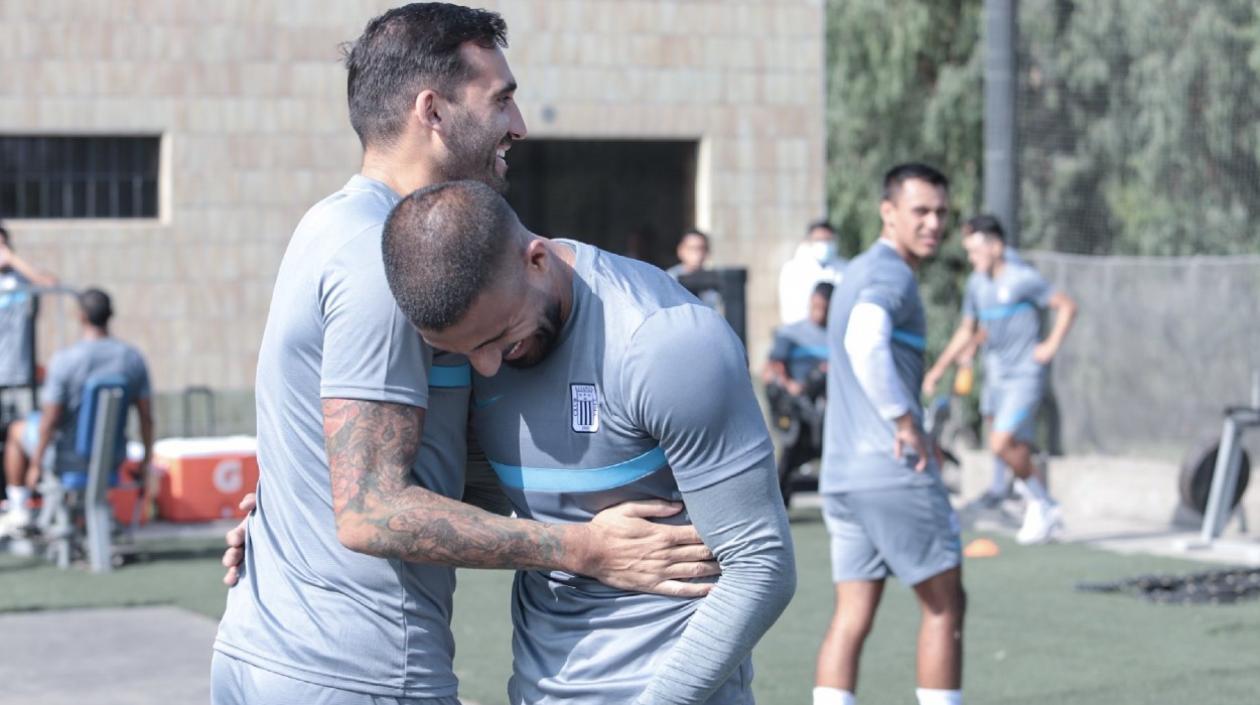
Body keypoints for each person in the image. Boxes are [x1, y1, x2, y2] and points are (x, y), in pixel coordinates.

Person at [212, 6, 717, 705]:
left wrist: (279, 507)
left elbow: (344, 467)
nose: (519, 125)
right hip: (354, 673)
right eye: (502, 99)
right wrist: (584, 548)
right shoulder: (380, 259)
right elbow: (369, 510)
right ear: (434, 110)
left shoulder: (328, 222)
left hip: (269, 653)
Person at [381, 179, 797, 704]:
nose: (485, 366)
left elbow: (762, 568)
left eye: (497, 338)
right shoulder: (476, 341)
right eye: (464, 352)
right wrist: (298, 511)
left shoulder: (664, 342)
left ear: (536, 259)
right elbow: (465, 502)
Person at [814, 163, 966, 705]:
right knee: (946, 605)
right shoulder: (891, 274)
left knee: (852, 615)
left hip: (842, 477)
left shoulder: (853, 270)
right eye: (920, 211)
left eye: (941, 213)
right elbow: (864, 339)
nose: (933, 223)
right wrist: (905, 420)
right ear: (888, 212)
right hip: (891, 470)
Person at [922, 214, 1078, 544]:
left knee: (1000, 443)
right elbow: (969, 330)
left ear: (996, 246)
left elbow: (1066, 306)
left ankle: (1043, 503)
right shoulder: (977, 285)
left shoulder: (1023, 279)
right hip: (994, 377)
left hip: (1024, 375)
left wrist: (1050, 346)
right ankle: (1023, 497)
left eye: (975, 249)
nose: (971, 256)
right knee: (1006, 442)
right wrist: (939, 369)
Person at [0, 288, 153, 535]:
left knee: (18, 429)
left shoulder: (65, 360)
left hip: (69, 458)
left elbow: (49, 421)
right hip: (114, 458)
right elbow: (147, 418)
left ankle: (19, 509)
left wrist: (35, 464)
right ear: (110, 314)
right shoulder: (132, 359)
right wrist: (146, 462)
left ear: (80, 316)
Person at [0, 223, 58, 390]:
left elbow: (50, 284)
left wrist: (14, 261)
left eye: (3, 246)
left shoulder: (22, 275)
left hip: (20, 367)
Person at [779, 219, 845, 325]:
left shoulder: (845, 268)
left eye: (828, 240)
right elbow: (790, 310)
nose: (824, 245)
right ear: (809, 241)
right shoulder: (792, 270)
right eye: (819, 240)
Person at [667, 228, 722, 310]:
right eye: (692, 248)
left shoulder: (714, 279)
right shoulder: (670, 278)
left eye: (702, 248)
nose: (698, 253)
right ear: (680, 250)